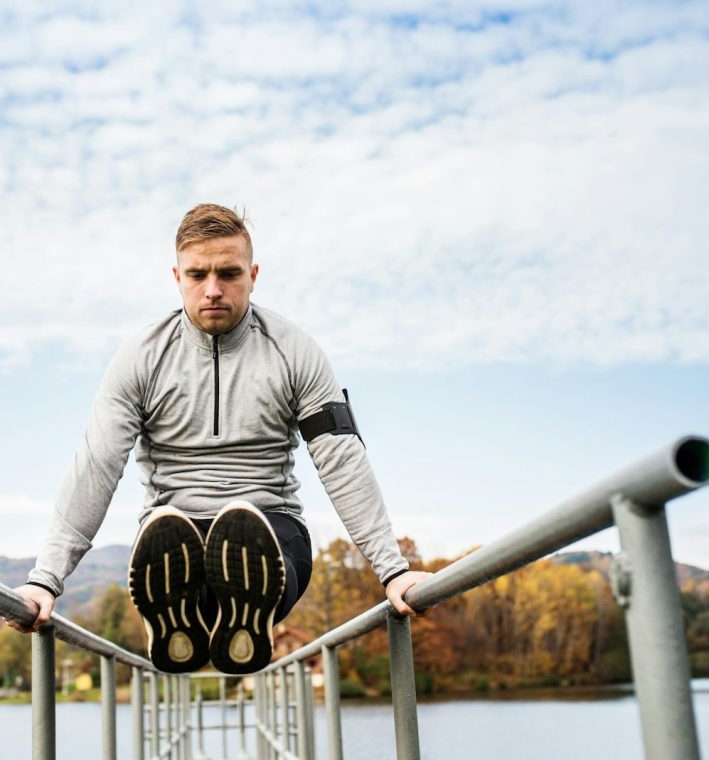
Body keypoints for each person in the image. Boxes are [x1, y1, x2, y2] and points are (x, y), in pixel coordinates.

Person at [5, 204, 430, 674]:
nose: (212, 289)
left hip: (271, 533)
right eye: (197, 275)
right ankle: (183, 619)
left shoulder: (295, 352)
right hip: (173, 539)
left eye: (228, 274)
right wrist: (45, 578)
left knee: (252, 540)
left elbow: (342, 459)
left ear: (253, 275)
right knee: (173, 546)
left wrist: (393, 570)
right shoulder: (141, 358)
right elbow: (96, 466)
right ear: (177, 277)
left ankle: (243, 615)